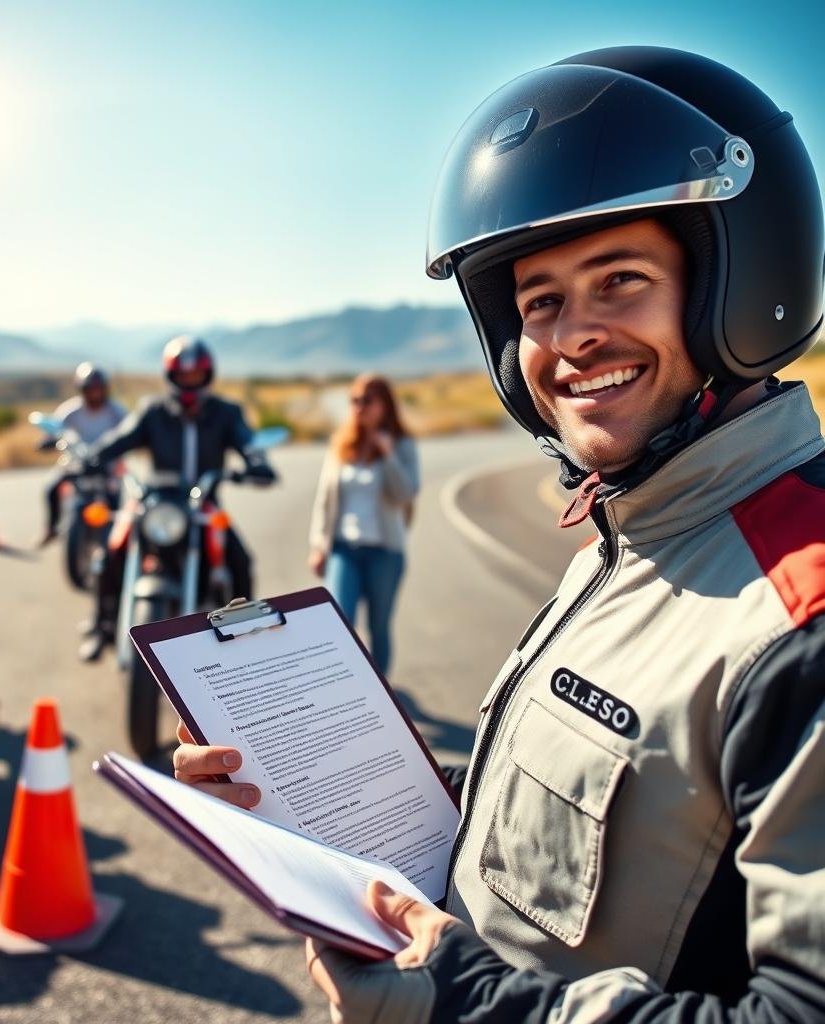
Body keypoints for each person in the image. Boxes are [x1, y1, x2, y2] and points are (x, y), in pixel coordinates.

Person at [174, 47, 825, 1023]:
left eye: (620, 279)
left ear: (736, 286)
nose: (570, 339)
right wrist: (305, 795)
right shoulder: (630, 541)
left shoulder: (800, 614)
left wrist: (454, 1002)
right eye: (540, 303)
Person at [78, 336, 275, 662]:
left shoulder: (226, 413)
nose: (189, 382)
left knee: (241, 561)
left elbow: (248, 442)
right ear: (171, 376)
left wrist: (258, 464)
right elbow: (120, 439)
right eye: (183, 376)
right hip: (158, 504)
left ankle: (244, 641)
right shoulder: (153, 411)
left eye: (195, 376)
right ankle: (102, 626)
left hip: (204, 507)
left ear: (207, 375)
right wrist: (92, 458)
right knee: (110, 553)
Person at [309, 374, 418, 675]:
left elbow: (406, 493)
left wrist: (388, 455)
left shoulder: (402, 445)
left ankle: (380, 690)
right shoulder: (342, 445)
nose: (359, 407)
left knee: (378, 626)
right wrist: (319, 546)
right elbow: (324, 499)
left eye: (366, 400)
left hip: (385, 552)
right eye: (354, 400)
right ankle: (350, 687)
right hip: (344, 550)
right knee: (341, 622)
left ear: (384, 405)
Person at [37, 362, 126, 548]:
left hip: (107, 466)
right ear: (82, 389)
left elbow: (129, 433)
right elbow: (55, 430)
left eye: (98, 388)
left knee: (116, 497)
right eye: (90, 389)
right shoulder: (70, 411)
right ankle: (51, 528)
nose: (94, 393)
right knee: (51, 488)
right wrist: (47, 441)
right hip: (75, 462)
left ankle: (119, 538)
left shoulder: (117, 412)